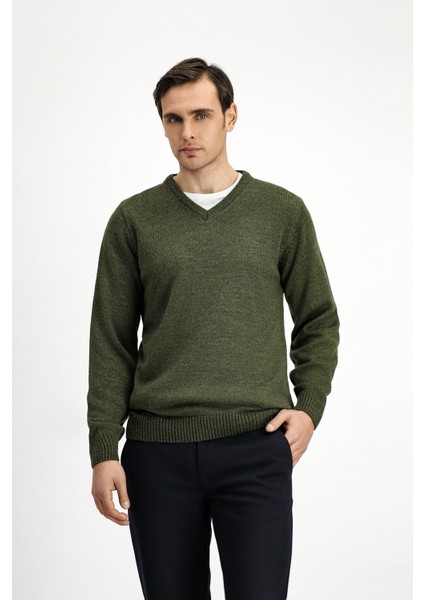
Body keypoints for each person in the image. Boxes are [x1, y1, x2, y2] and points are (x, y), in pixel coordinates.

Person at [87, 57, 340, 600]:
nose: (188, 131)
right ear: (162, 124)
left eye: (201, 115)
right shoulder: (134, 220)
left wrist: (309, 406)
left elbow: (318, 318)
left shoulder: (281, 212)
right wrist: (104, 447)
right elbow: (111, 341)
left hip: (256, 446)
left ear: (230, 116)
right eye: (173, 119)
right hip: (157, 453)